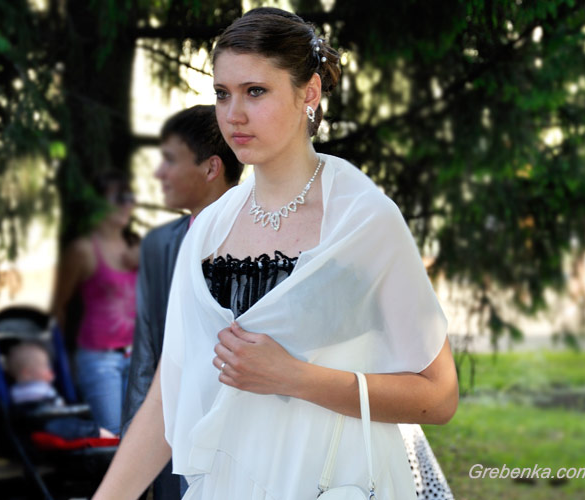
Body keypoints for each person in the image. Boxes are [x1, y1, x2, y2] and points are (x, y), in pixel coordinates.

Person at [94, 8, 458, 500]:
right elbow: (168, 394)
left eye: (256, 91)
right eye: (222, 94)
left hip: (334, 482)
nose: (234, 115)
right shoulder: (209, 230)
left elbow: (438, 395)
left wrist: (297, 378)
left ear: (309, 93)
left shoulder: (363, 219)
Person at [121, 105, 243, 497]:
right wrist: (133, 456)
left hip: (242, 447)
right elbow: (146, 357)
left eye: (170, 160)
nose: (159, 173)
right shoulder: (159, 246)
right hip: (170, 446)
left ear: (211, 168)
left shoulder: (269, 242)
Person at [50, 170, 140, 435]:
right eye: (119, 197)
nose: (127, 204)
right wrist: (62, 360)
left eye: (130, 197)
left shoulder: (137, 246)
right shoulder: (83, 250)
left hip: (137, 357)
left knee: (138, 438)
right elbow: (59, 306)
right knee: (111, 439)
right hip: (99, 360)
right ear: (97, 203)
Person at [7, 342, 115, 440]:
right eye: (46, 366)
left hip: (37, 430)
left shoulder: (14, 392)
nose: (50, 370)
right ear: (27, 373)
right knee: (90, 427)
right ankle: (109, 437)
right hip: (55, 427)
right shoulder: (43, 389)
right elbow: (59, 406)